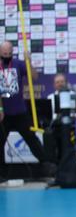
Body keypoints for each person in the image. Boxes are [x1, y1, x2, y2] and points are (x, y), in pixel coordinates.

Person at [0, 41, 49, 181]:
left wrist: (29, 62)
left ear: (12, 52)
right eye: (4, 54)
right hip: (4, 113)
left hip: (20, 111)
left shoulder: (18, 64)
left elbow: (34, 77)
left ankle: (47, 167)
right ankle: (2, 174)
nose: (7, 56)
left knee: (31, 139)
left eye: (9, 53)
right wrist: (0, 108)